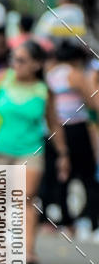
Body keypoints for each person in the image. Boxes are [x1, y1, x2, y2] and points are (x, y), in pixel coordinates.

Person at [0, 39, 70, 264]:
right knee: (0, 201)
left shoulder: (43, 91)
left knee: (26, 198)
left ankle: (28, 250)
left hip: (31, 149)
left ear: (36, 65)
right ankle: (1, 248)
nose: (15, 64)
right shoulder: (1, 79)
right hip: (0, 148)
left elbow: (54, 123)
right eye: (13, 59)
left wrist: (62, 154)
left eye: (21, 61)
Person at [44, 40, 99, 236]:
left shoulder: (50, 75)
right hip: (76, 128)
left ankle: (66, 222)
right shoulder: (75, 75)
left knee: (61, 175)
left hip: (54, 129)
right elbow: (93, 102)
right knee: (87, 176)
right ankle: (94, 221)